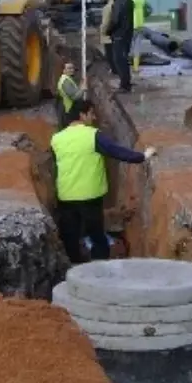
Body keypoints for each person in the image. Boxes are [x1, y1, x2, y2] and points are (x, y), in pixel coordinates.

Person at [50, 100, 156, 263]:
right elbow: (117, 151)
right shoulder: (93, 135)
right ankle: (99, 269)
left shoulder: (56, 139)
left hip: (66, 196)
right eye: (91, 113)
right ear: (82, 115)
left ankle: (74, 267)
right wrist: (143, 156)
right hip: (90, 196)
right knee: (97, 235)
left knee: (71, 235)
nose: (94, 117)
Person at [106, 0, 135, 93]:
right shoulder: (128, 0)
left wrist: (108, 31)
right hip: (127, 34)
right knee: (124, 59)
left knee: (118, 60)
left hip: (119, 35)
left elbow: (115, 20)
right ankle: (126, 82)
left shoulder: (118, 2)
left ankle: (124, 85)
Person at [126, 0, 153, 74]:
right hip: (140, 26)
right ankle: (136, 68)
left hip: (129, 26)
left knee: (127, 47)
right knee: (137, 47)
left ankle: (125, 67)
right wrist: (144, 15)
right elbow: (149, 9)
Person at [56, 61, 85, 128]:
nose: (72, 70)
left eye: (72, 68)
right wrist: (83, 89)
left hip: (68, 109)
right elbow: (74, 97)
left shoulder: (67, 79)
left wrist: (80, 87)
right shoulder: (65, 81)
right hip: (68, 110)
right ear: (63, 70)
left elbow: (74, 92)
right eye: (69, 68)